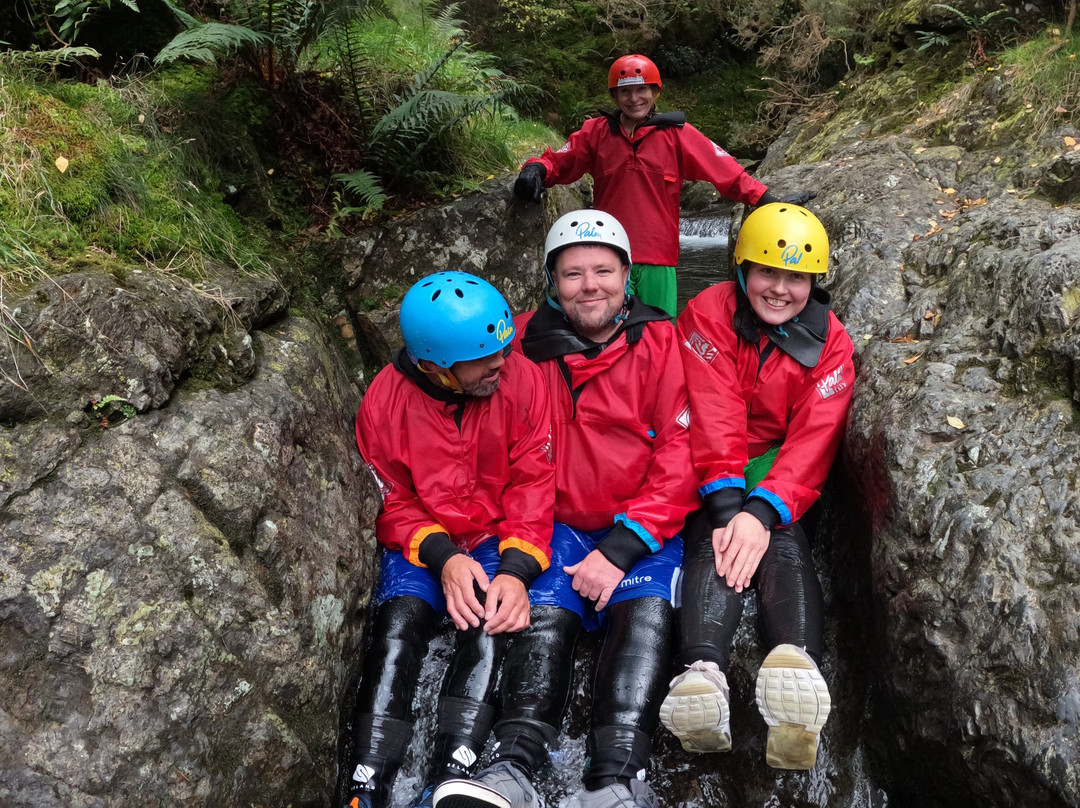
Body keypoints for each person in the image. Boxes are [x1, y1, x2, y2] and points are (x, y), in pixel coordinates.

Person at [432, 210, 700, 808]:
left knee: (647, 619)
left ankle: (615, 779)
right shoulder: (516, 345)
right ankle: (512, 768)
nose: (590, 286)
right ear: (552, 282)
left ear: (627, 275)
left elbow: (682, 458)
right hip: (551, 527)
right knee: (542, 620)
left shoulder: (663, 342)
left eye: (603, 270)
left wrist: (622, 547)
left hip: (640, 528)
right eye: (572, 273)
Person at [345, 271, 556, 808]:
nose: (501, 364)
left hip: (491, 534)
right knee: (398, 627)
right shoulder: (384, 403)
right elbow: (392, 498)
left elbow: (534, 482)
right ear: (434, 365)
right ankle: (366, 783)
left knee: (489, 622)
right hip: (423, 539)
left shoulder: (522, 381)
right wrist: (441, 557)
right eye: (485, 359)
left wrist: (515, 569)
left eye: (502, 349)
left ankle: (449, 772)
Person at [659, 203, 854, 770]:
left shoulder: (831, 343)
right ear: (741, 269)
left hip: (779, 470)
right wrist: (727, 507)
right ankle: (703, 674)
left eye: (796, 277)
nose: (780, 288)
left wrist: (764, 510)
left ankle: (795, 667)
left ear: (813, 282)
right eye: (767, 272)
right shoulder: (708, 311)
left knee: (782, 541)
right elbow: (712, 408)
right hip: (710, 460)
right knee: (712, 538)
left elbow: (817, 435)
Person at [512, 53, 808, 318]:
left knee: (660, 336)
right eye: (625, 91)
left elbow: (725, 171)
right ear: (615, 97)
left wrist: (766, 200)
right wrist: (536, 169)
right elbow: (562, 160)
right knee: (605, 334)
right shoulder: (596, 133)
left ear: (655, 91)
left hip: (658, 259)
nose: (634, 98)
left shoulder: (678, 135)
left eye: (642, 89)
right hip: (607, 257)